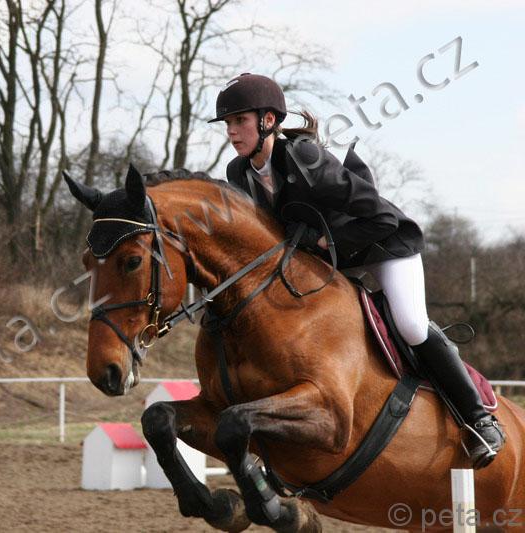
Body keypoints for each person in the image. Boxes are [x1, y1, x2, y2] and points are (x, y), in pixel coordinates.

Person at [208, 72, 505, 469]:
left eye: (239, 121)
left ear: (268, 120)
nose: (231, 131)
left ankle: (479, 419)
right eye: (228, 123)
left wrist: (322, 241)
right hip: (333, 267)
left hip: (383, 247)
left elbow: (380, 217)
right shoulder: (239, 173)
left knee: (411, 325)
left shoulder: (305, 158)